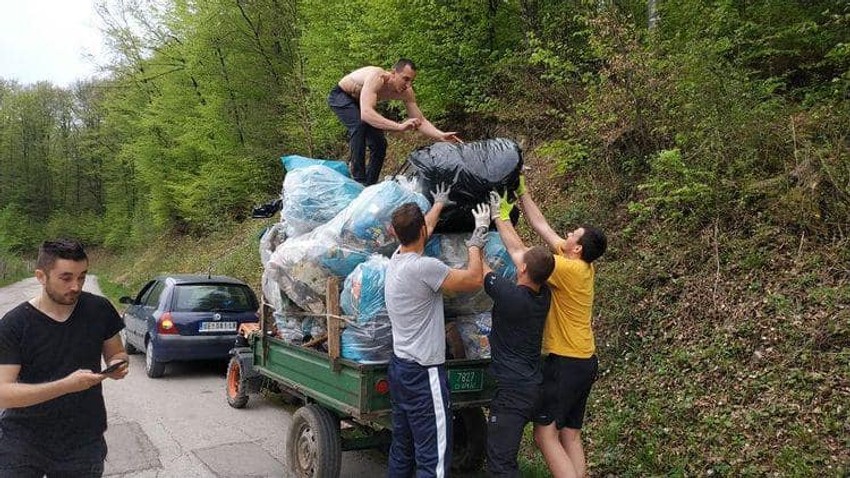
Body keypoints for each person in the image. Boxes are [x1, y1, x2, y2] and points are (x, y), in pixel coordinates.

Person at [493, 178, 607, 478]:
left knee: (545, 436)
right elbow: (541, 225)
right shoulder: (583, 264)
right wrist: (522, 192)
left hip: (565, 362)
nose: (567, 233)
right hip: (586, 361)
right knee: (569, 435)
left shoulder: (568, 269)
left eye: (573, 234)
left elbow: (521, 257)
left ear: (577, 248)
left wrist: (498, 216)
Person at [384, 183, 489, 477]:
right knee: (434, 460)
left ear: (395, 234)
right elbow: (472, 280)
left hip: (401, 369)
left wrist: (439, 204)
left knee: (402, 450)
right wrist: (477, 239)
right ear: (419, 233)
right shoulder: (424, 268)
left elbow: (423, 229)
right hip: (423, 375)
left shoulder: (396, 260)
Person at [0, 239, 129, 478]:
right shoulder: (14, 324)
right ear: (41, 276)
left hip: (83, 441)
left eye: (82, 277)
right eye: (66, 278)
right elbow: (3, 393)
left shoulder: (99, 309)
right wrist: (65, 386)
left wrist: (116, 365)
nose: (76, 286)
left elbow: (117, 353)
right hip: (22, 440)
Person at [481, 190, 555, 478]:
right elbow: (520, 253)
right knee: (505, 454)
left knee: (500, 460)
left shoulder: (511, 296)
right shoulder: (543, 294)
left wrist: (475, 239)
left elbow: (482, 271)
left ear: (522, 269)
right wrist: (500, 217)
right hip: (533, 385)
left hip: (512, 392)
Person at [328, 58, 461, 185]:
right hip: (342, 96)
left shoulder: (407, 92)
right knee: (360, 126)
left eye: (411, 81)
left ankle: (369, 185)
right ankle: (358, 179)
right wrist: (399, 127)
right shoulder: (377, 77)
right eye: (405, 79)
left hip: (361, 104)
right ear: (393, 73)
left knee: (380, 144)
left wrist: (440, 135)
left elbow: (420, 120)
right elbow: (366, 114)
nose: (408, 85)